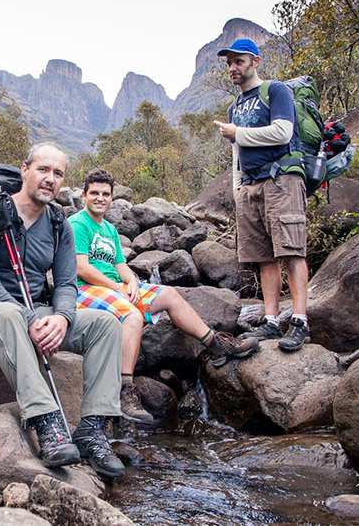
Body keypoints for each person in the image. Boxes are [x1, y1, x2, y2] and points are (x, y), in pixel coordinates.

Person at [0, 143, 126, 478]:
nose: (50, 179)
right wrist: (31, 319)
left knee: (106, 324)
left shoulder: (59, 225)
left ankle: (93, 428)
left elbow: (66, 284)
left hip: (38, 310)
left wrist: (61, 317)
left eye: (58, 173)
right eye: (43, 170)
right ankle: (47, 423)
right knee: (9, 315)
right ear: (25, 170)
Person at [71, 168, 259, 424]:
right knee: (132, 315)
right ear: (84, 195)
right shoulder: (77, 224)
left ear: (112, 196)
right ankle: (125, 390)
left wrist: (131, 282)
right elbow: (81, 267)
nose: (100, 198)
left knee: (169, 294)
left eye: (105, 194)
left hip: (113, 286)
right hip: (85, 289)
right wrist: (115, 287)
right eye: (94, 193)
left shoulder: (110, 230)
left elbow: (120, 266)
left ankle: (217, 346)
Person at [214, 38, 310, 351]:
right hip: (250, 186)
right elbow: (237, 152)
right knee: (264, 257)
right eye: (229, 62)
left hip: (282, 179)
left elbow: (282, 131)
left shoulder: (276, 90)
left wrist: (237, 133)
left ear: (255, 61)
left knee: (291, 250)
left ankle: (298, 320)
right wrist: (237, 186)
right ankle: (271, 320)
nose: (232, 67)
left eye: (239, 61)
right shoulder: (235, 106)